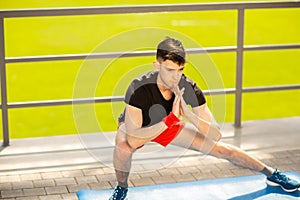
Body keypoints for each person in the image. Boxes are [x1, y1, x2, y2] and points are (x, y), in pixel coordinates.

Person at [109, 37, 299, 200]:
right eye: (169, 70)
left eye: (180, 69)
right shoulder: (138, 88)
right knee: (124, 147)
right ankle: (122, 187)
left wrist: (189, 114)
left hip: (169, 125)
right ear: (157, 65)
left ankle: (272, 174)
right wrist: (170, 119)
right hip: (140, 128)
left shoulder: (188, 87)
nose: (176, 77)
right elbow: (134, 140)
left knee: (222, 150)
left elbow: (215, 135)